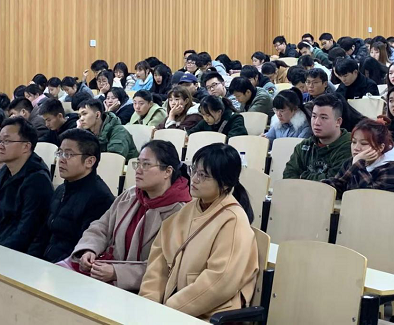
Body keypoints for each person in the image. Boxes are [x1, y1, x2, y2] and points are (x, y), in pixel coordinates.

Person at [139, 143, 258, 320]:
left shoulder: (233, 221)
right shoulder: (187, 210)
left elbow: (219, 282)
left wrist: (168, 311)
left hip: (209, 313)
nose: (194, 179)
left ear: (225, 184)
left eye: (203, 175)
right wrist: (148, 302)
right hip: (173, 309)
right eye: (194, 170)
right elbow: (159, 261)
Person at [70, 141, 191, 290]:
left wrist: (117, 273)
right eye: (138, 163)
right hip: (106, 272)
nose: (138, 170)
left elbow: (166, 267)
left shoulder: (180, 212)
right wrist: (89, 249)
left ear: (167, 171)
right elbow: (102, 226)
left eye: (146, 165)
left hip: (143, 289)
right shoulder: (131, 195)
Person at [29, 129, 115, 263]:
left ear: (90, 161)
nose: (61, 160)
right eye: (60, 153)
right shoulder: (61, 189)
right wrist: (30, 259)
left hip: (66, 267)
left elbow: (82, 247)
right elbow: (43, 233)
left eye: (68, 154)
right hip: (44, 263)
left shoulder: (100, 198)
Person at [0, 117, 54, 252]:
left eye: (7, 141)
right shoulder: (1, 173)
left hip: (20, 254)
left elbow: (27, 230)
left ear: (26, 146)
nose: (0, 146)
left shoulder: (38, 180)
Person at [322, 119, 394, 196]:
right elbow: (339, 185)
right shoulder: (350, 162)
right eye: (354, 142)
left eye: (364, 143)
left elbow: (368, 196)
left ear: (380, 147)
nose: (356, 148)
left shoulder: (392, 168)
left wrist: (358, 166)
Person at [283, 94, 352, 181]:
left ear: (338, 122)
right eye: (314, 116)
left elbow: (333, 182)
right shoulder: (304, 146)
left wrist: (302, 177)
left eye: (323, 118)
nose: (316, 122)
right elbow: (288, 176)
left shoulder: (350, 146)